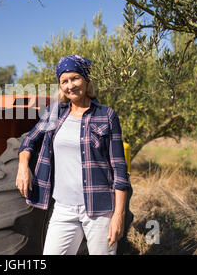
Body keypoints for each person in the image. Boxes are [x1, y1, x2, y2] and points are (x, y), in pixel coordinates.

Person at [16, 55, 132, 255]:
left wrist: (118, 215)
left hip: (100, 210)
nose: (70, 86)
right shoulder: (55, 113)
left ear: (86, 80)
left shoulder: (107, 116)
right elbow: (29, 140)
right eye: (64, 81)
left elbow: (120, 170)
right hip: (63, 209)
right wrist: (23, 167)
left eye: (75, 78)